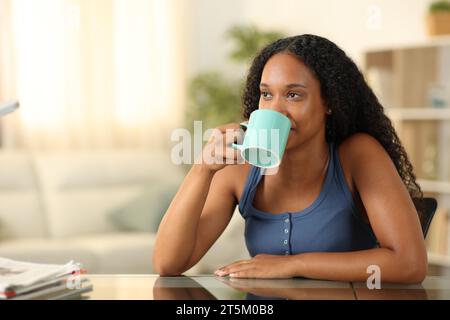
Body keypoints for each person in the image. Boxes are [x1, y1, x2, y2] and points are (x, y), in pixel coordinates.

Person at [153, 34, 427, 283]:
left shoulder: (358, 155)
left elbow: (409, 264)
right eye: (266, 94)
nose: (276, 110)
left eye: (293, 95)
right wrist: (202, 169)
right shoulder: (240, 167)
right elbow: (168, 264)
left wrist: (293, 264)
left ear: (329, 102)